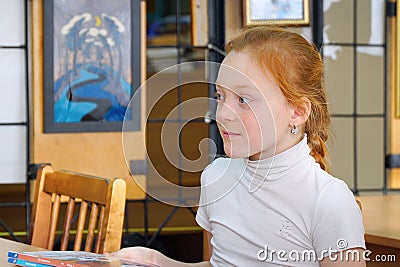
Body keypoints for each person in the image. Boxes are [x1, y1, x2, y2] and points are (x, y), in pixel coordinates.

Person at [111, 26, 366, 266]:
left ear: (297, 112)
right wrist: (157, 261)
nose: (223, 114)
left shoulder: (329, 201)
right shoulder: (216, 177)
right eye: (220, 97)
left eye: (243, 99)